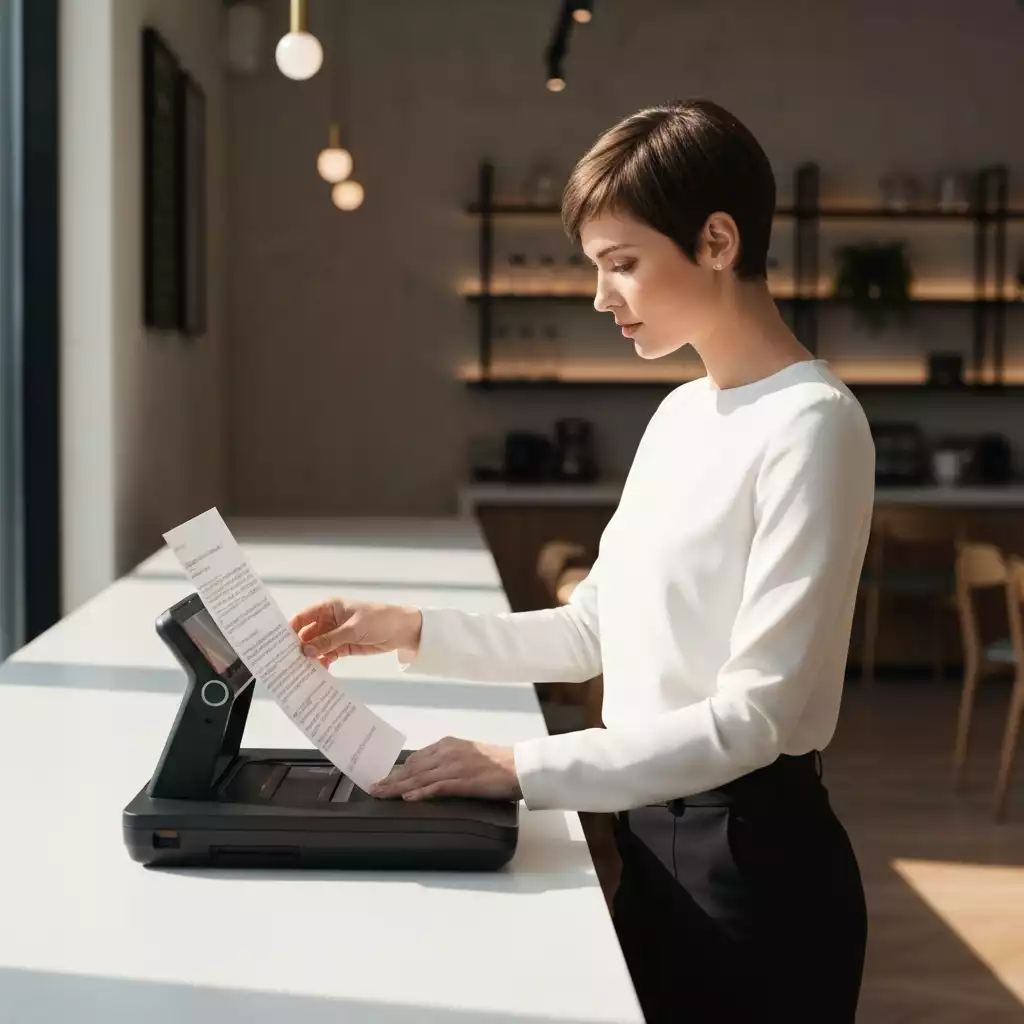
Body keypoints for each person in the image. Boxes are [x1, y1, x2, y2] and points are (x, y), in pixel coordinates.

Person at [289, 99, 874, 1023]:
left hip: (753, 868)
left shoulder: (815, 425)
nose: (602, 297)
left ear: (717, 240)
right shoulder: (681, 414)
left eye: (622, 264)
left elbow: (757, 718)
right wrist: (409, 631)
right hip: (642, 832)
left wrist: (520, 765)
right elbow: (592, 628)